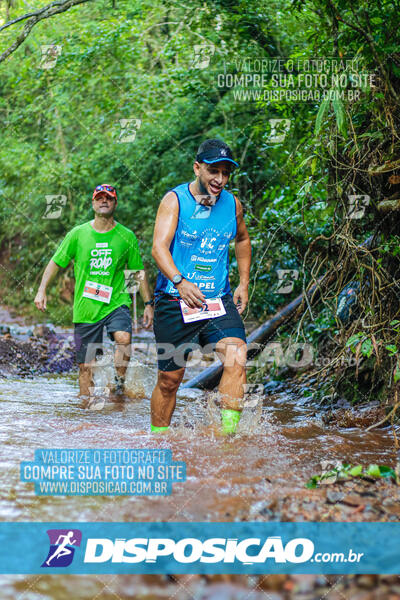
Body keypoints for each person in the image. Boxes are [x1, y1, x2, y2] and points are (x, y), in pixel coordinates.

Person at [151, 139, 251, 434]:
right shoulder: (175, 200)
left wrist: (243, 282)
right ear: (197, 168)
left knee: (237, 357)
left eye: (225, 173)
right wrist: (180, 282)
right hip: (174, 300)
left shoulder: (232, 204)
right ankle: (159, 441)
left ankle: (228, 438)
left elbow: (242, 239)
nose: (219, 180)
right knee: (170, 381)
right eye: (212, 171)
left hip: (217, 300)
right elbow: (159, 248)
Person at [34, 184, 154, 405]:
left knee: (124, 338)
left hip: (116, 301)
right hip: (86, 306)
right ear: (93, 203)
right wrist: (42, 290)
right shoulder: (78, 234)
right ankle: (84, 408)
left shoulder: (126, 236)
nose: (104, 201)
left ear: (115, 203)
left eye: (108, 198)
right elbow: (55, 262)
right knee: (85, 366)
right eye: (99, 198)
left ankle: (118, 383)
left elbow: (135, 272)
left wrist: (147, 303)